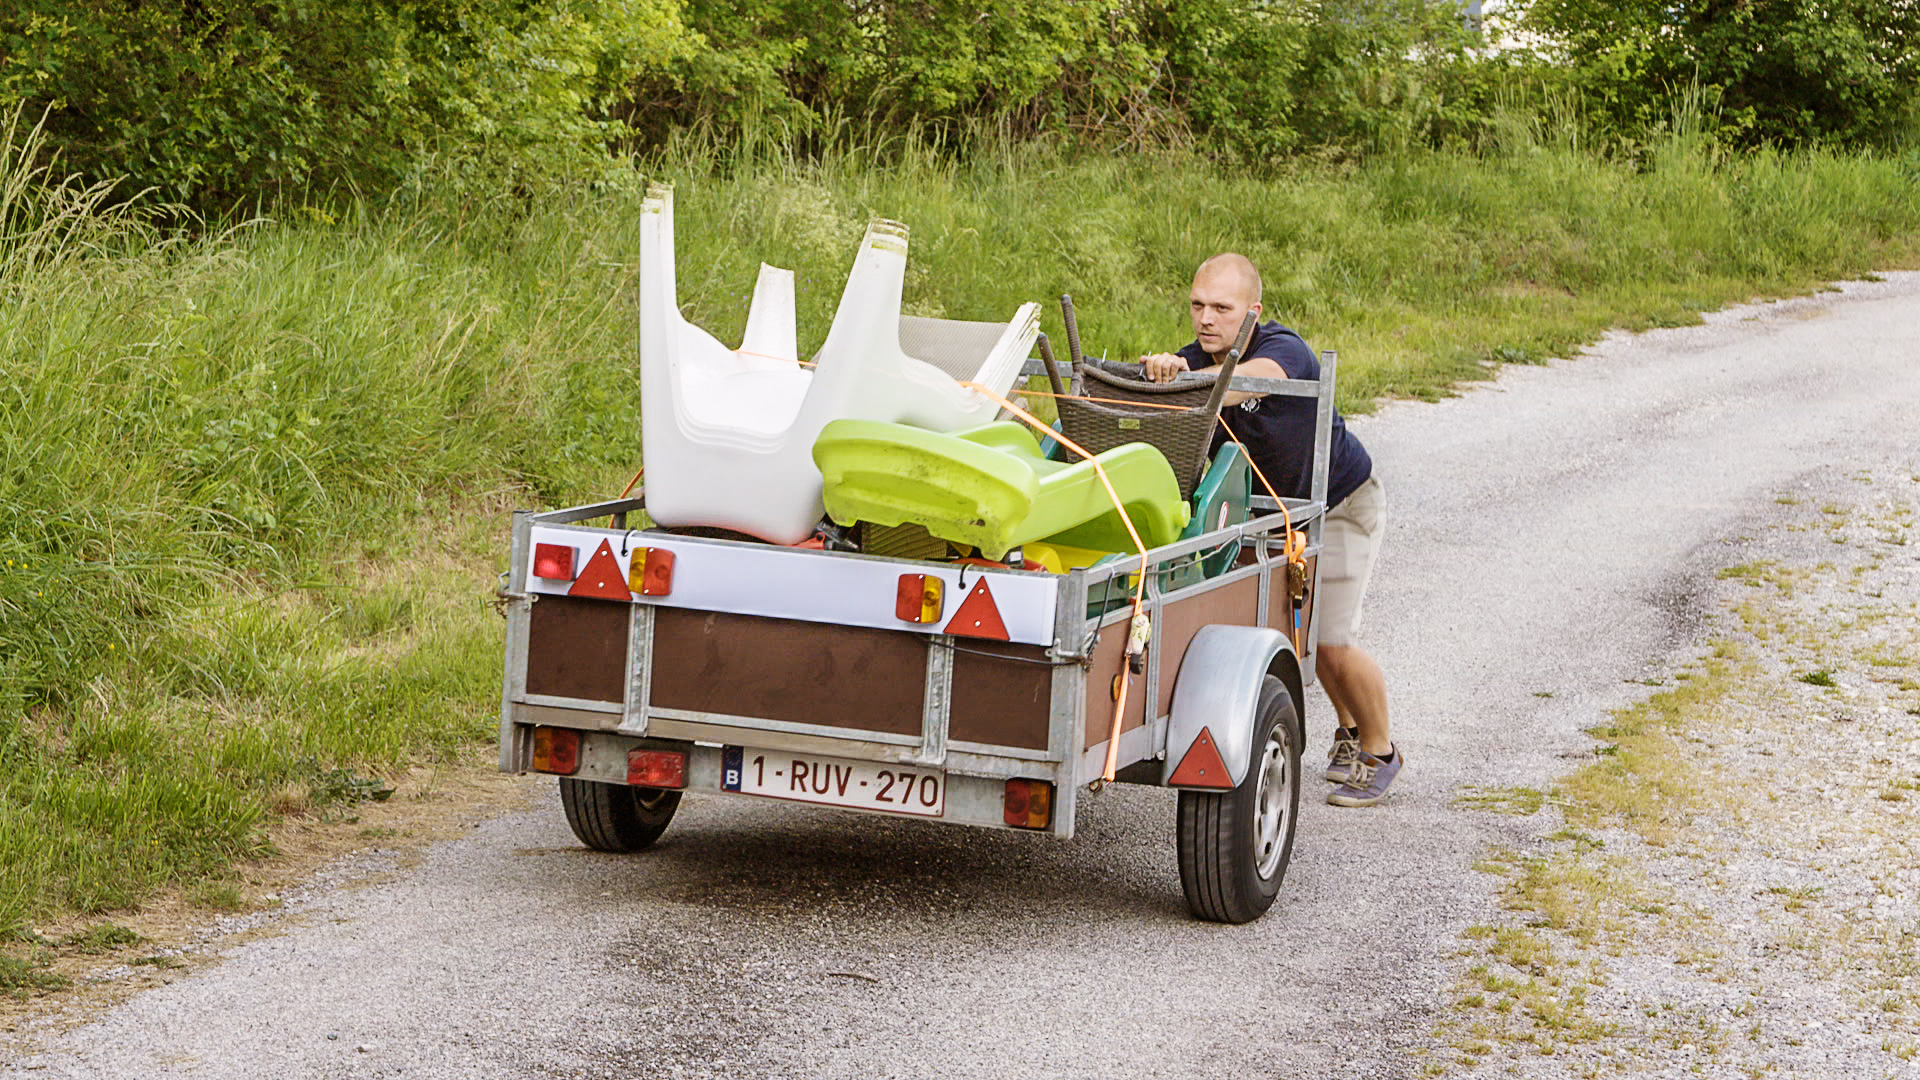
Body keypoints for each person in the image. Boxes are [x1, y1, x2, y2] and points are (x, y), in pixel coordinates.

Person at [1140, 253, 1399, 807]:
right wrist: (1160, 371)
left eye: (1221, 308)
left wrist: (1185, 378)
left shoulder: (1284, 350)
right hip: (1275, 515)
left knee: (1331, 642)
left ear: (1253, 312)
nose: (1206, 318)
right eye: (1197, 305)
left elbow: (1249, 383)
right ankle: (1349, 733)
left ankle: (1380, 750)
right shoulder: (1197, 359)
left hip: (1341, 505)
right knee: (1302, 641)